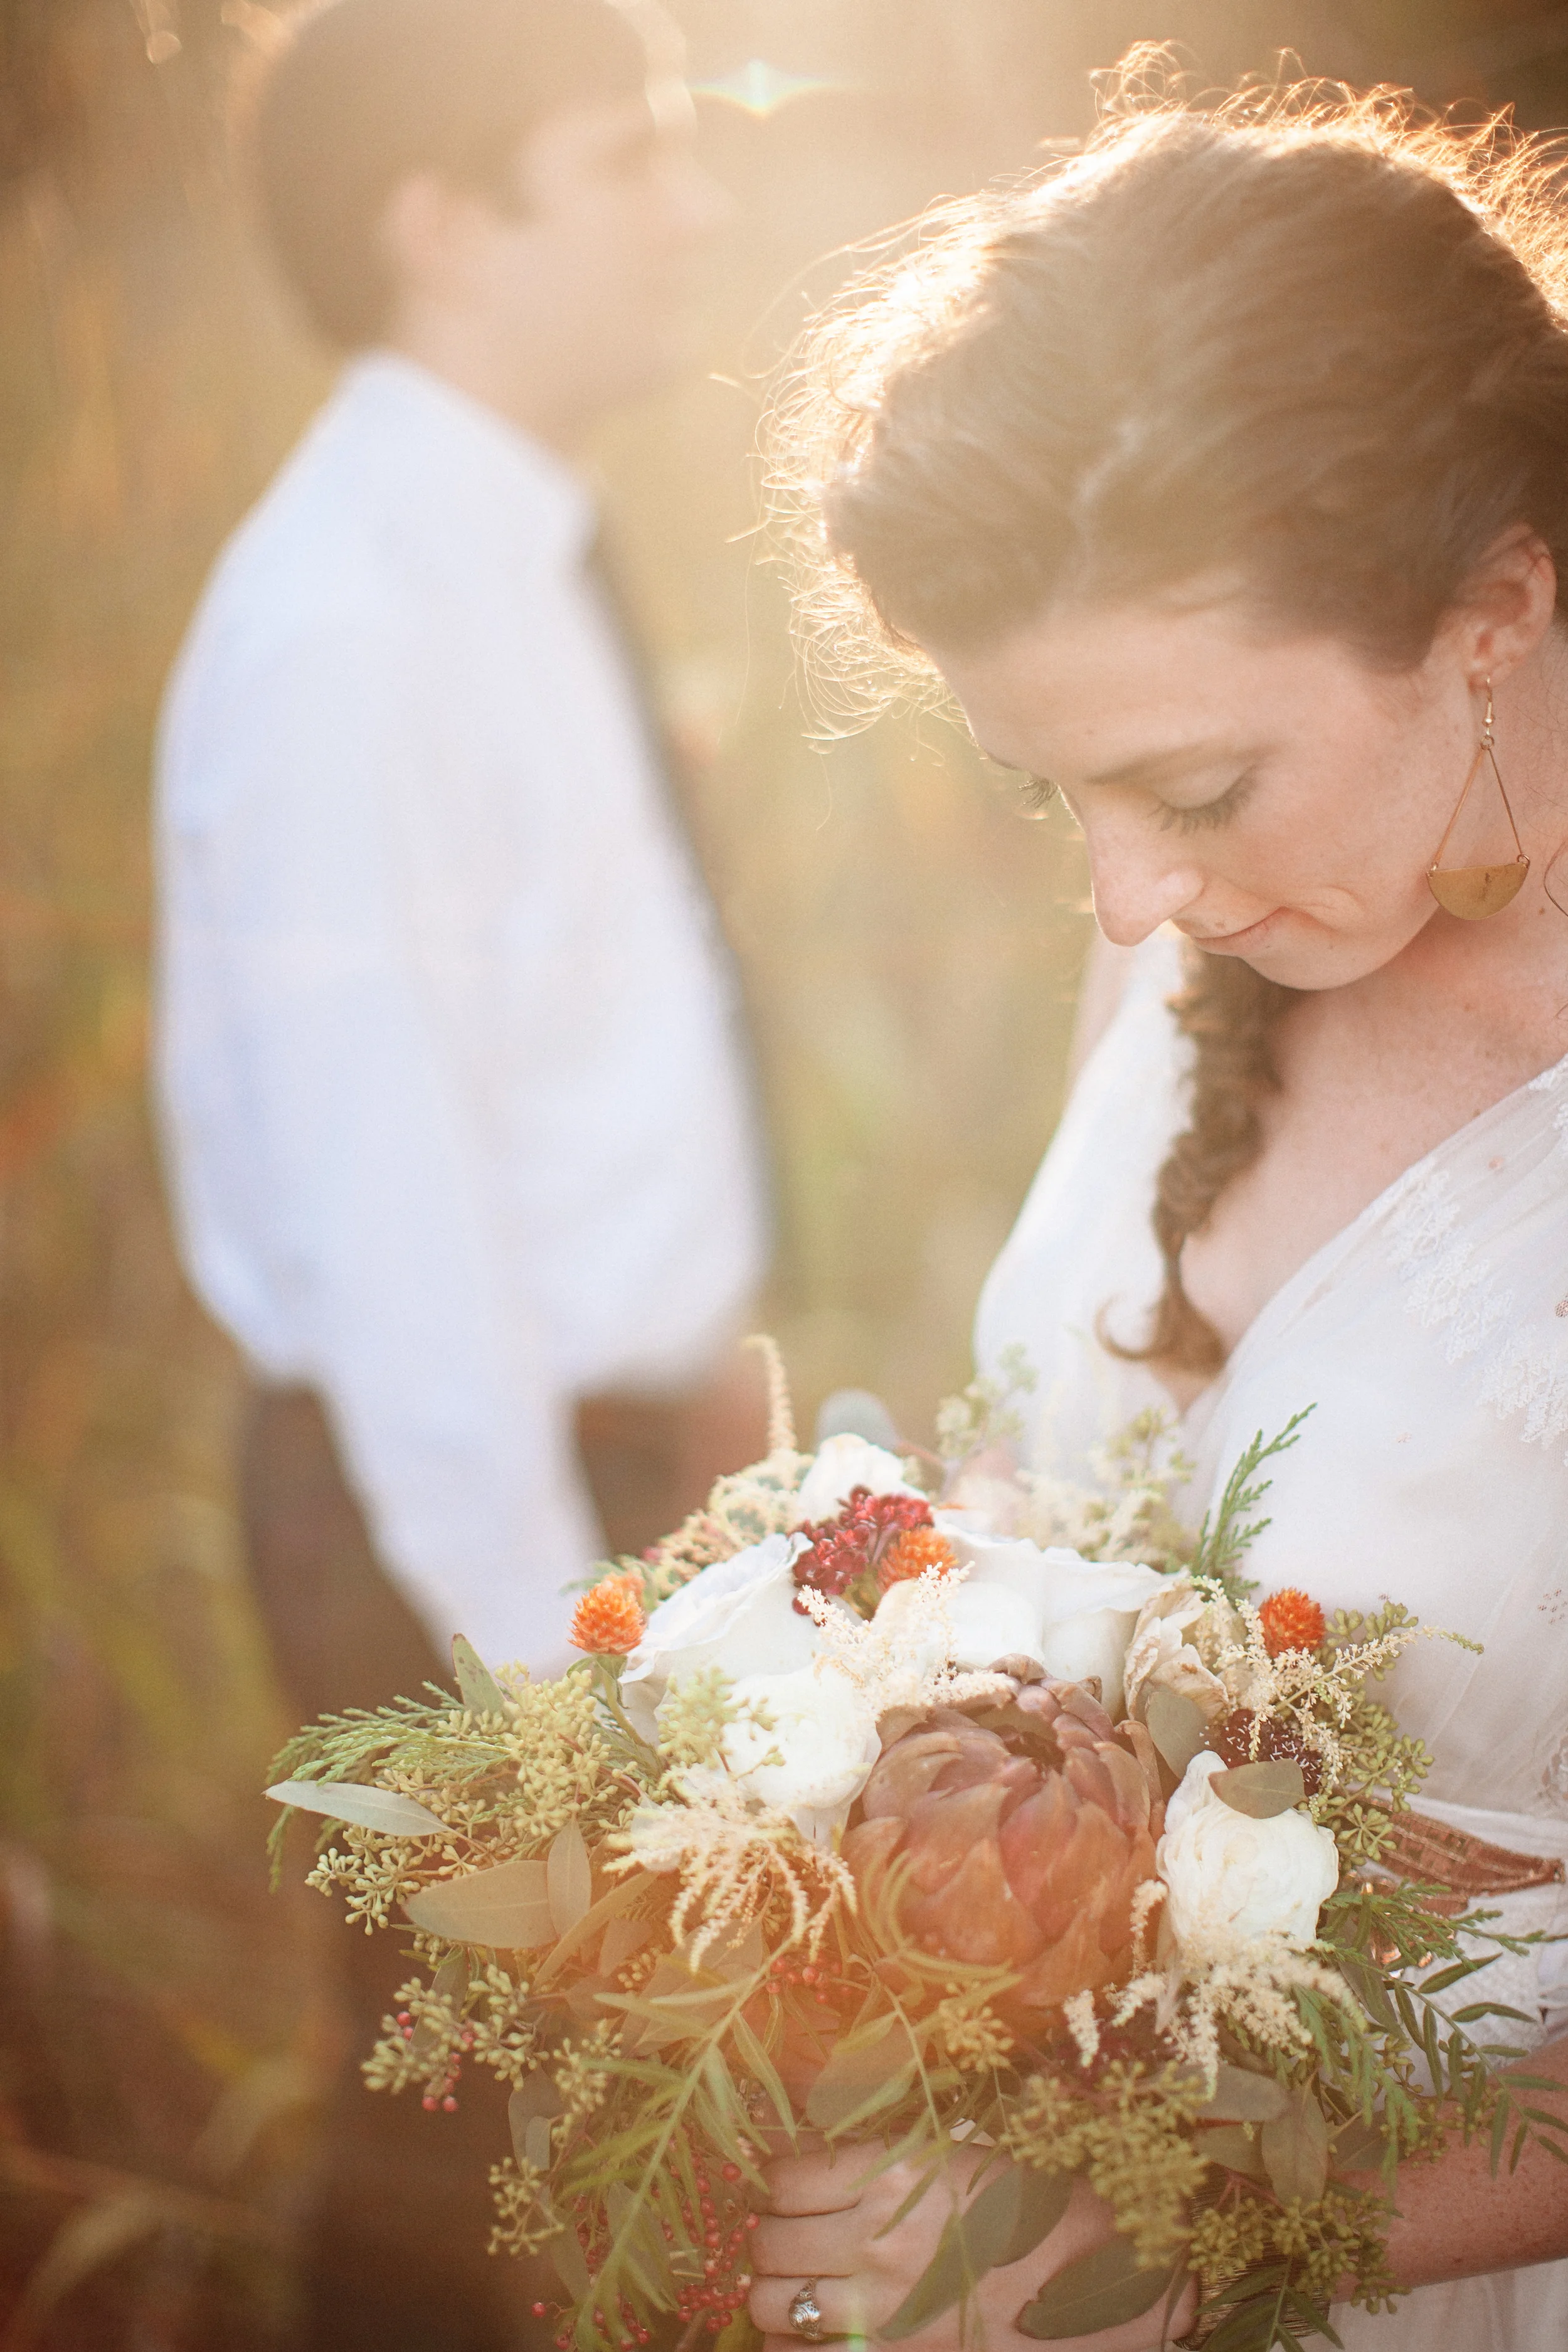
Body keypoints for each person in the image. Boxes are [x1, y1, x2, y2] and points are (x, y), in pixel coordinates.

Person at [756, 67, 1568, 2352]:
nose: (1128, 893)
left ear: (1493, 604)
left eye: (1191, 784)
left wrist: (1233, 2223)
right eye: (1058, 797)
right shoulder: (1225, 901)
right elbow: (1068, 1503)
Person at [154, 3, 768, 2343]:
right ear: (445, 224)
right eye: (631, 153)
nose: (696, 202)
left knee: (638, 2135)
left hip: (603, 1450)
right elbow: (397, 1240)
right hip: (456, 1503)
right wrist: (559, 1689)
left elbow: (551, 1078)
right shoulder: (351, 623)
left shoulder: (499, 549)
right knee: (467, 2151)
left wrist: (710, 1393)